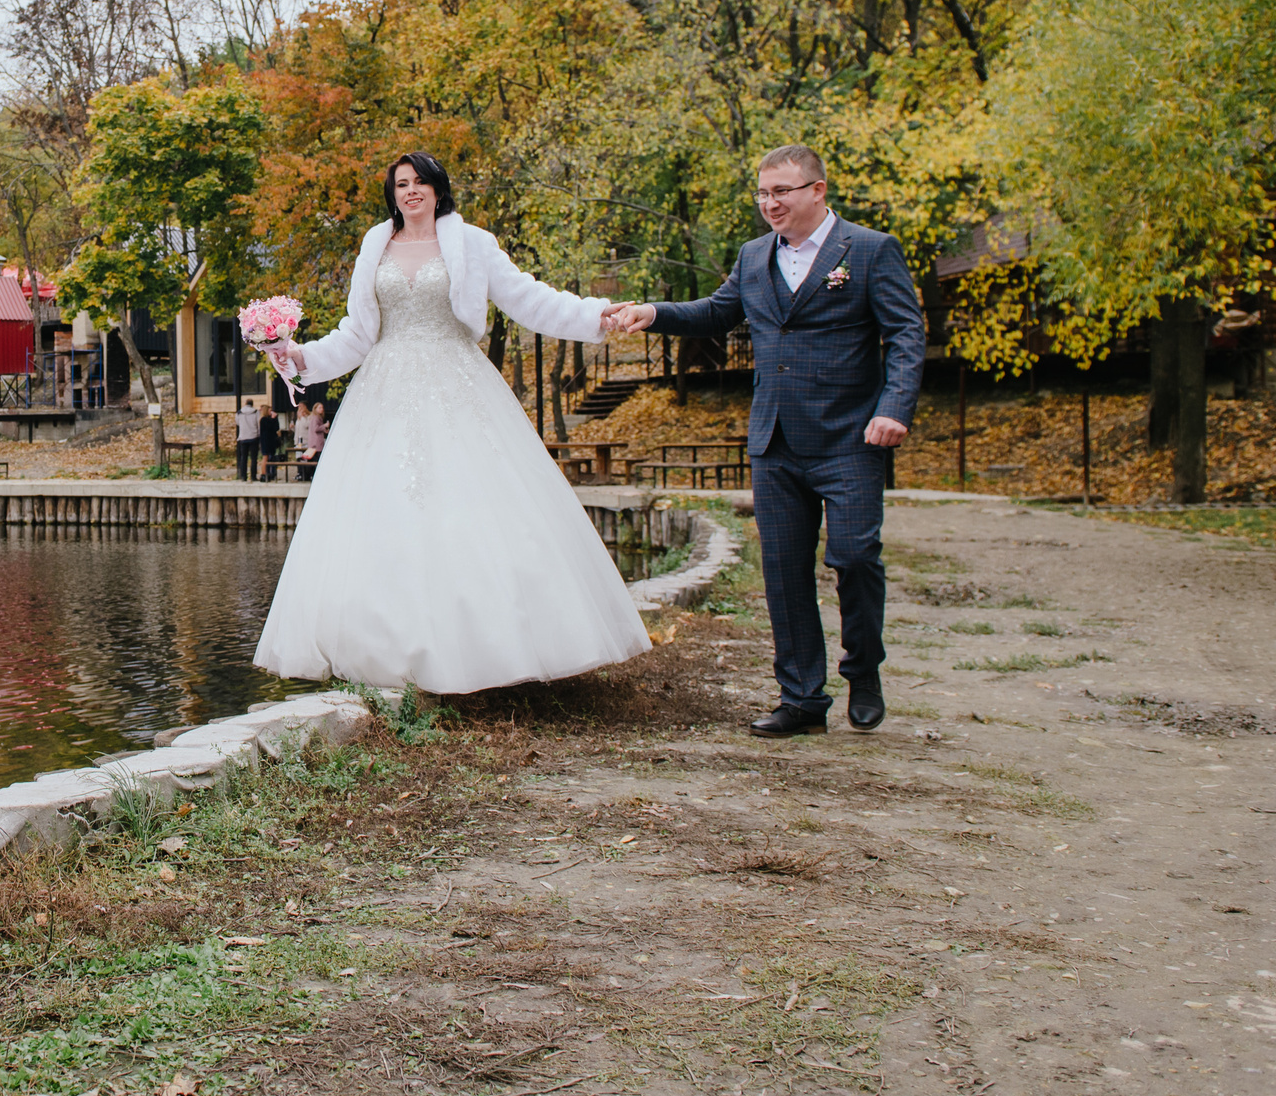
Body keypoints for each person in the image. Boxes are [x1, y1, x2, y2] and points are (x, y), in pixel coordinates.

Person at [253, 152, 648, 693]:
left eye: (420, 181)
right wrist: (299, 356)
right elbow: (357, 334)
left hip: (457, 383)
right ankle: (386, 652)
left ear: (438, 189)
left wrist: (593, 314)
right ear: (392, 194)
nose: (410, 191)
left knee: (471, 509)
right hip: (384, 391)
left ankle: (490, 652)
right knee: (383, 512)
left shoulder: (472, 243)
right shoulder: (374, 245)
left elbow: (529, 299)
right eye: (401, 184)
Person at [604, 144, 924, 737]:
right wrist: (655, 312)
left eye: (781, 192)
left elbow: (905, 332)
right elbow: (717, 312)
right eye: (762, 193)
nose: (770, 203)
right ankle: (801, 699)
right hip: (775, 440)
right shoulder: (754, 256)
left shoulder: (869, 250)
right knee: (783, 570)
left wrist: (894, 408)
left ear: (817, 190)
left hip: (850, 437)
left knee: (855, 558)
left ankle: (863, 670)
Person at [234, 400, 262, 481]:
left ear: (245, 404)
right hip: (253, 436)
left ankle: (243, 476)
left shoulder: (239, 412)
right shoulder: (255, 412)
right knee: (254, 458)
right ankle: (253, 476)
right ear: (252, 404)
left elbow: (237, 422)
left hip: (243, 437)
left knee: (243, 458)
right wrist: (258, 434)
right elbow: (258, 423)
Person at [257, 405, 282, 482]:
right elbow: (269, 427)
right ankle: (264, 473)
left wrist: (275, 419)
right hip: (266, 441)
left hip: (271, 441)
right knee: (265, 456)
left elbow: (276, 428)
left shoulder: (270, 419)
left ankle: (271, 473)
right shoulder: (263, 420)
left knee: (271, 457)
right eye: (269, 410)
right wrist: (273, 419)